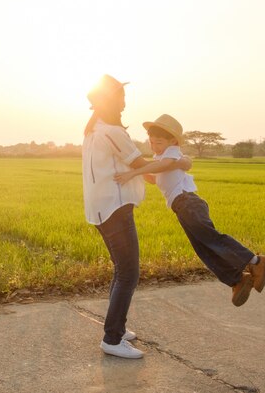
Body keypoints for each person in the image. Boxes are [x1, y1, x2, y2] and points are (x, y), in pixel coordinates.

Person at [82, 76, 192, 359]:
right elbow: (140, 165)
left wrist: (158, 174)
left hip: (101, 207)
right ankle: (112, 338)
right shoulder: (112, 132)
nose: (123, 103)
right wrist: (179, 162)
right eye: (120, 97)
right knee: (129, 272)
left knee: (121, 269)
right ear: (110, 100)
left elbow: (142, 171)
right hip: (115, 208)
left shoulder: (94, 130)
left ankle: (117, 327)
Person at [114, 114, 265, 307]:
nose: (154, 146)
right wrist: (135, 172)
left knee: (211, 238)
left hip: (188, 203)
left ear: (172, 141)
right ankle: (237, 280)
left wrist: (133, 172)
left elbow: (166, 165)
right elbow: (156, 178)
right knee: (203, 248)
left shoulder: (172, 151)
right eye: (151, 142)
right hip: (182, 207)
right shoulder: (161, 157)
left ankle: (256, 261)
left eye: (158, 142)